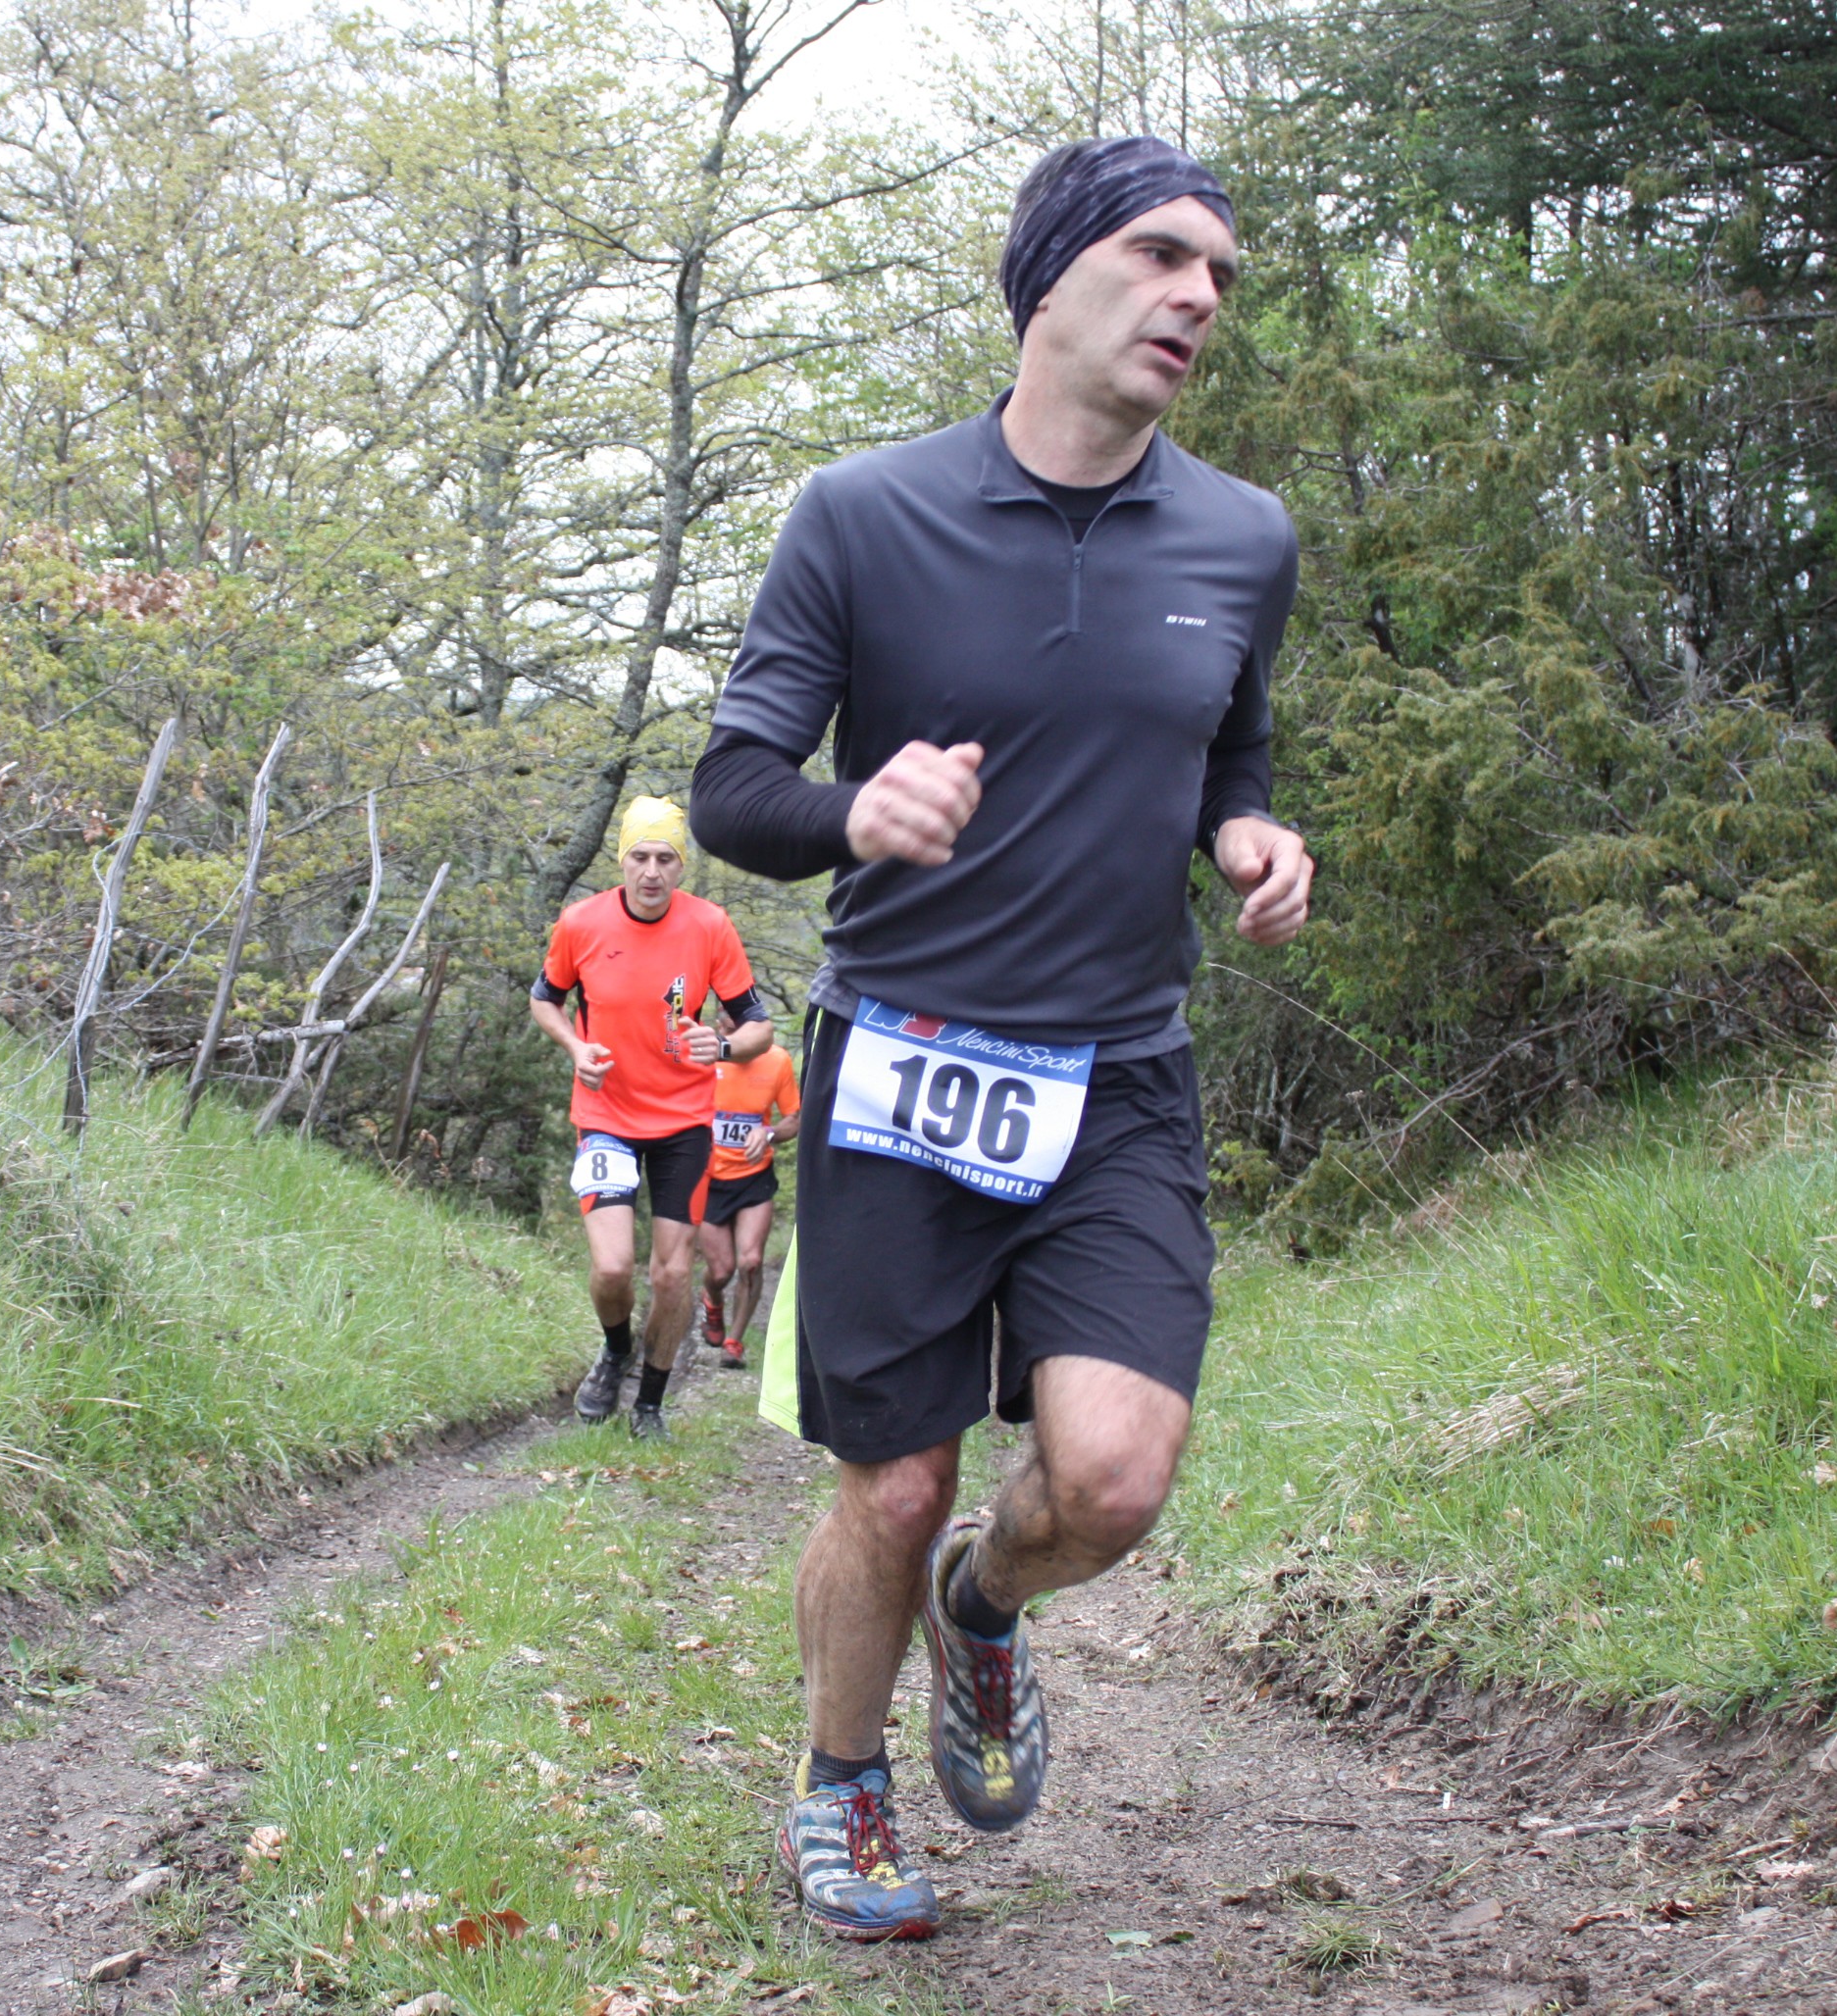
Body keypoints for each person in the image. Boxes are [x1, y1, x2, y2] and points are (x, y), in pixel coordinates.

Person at [689, 134, 1315, 1942]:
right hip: (900, 1061)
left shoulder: (1239, 535)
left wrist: (1249, 839)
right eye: (1160, 256)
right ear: (1047, 278)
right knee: (890, 1478)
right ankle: (840, 1783)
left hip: (1116, 1077)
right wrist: (850, 814)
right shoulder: (862, 514)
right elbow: (737, 784)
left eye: (1219, 273)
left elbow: (1229, 752)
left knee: (1110, 1477)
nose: (1197, 295)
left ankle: (983, 1612)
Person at [533, 796, 777, 1439]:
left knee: (672, 1271)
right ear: (622, 861)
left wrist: (721, 1046)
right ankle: (616, 1351)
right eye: (639, 856)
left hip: (684, 1123)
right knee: (614, 1267)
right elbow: (545, 1001)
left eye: (665, 858)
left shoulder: (709, 927)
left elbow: (759, 1025)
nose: (651, 871)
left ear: (681, 867)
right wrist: (575, 1046)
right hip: (606, 1112)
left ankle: (650, 1405)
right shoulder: (581, 923)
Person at [696, 1032, 800, 1368]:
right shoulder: (703, 1055)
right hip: (708, 1179)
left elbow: (793, 1118)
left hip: (754, 1179)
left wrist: (768, 1133)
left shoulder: (777, 1059)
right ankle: (712, 1301)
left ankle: (734, 1342)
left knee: (751, 1261)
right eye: (730, 1016)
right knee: (722, 1270)